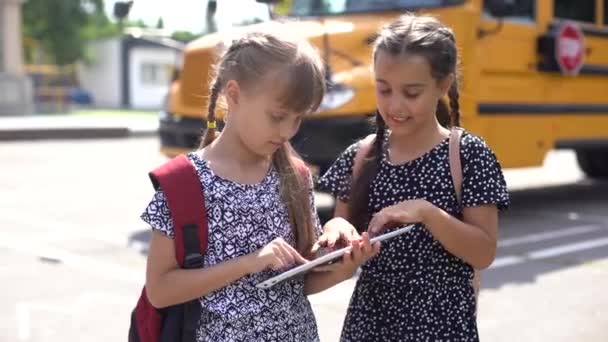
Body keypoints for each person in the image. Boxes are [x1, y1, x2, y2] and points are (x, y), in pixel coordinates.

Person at [141, 31, 379, 342]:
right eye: (278, 116)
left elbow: (300, 283)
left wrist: (344, 267)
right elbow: (159, 291)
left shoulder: (295, 175)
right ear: (235, 94)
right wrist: (247, 264)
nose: (288, 131)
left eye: (298, 119)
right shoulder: (184, 183)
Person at [316, 13, 510, 341]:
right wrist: (336, 234)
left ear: (443, 85)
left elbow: (483, 252)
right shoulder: (361, 155)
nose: (395, 105)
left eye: (411, 92)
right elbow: (337, 244)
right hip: (368, 327)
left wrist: (426, 213)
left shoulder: (467, 154)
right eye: (384, 89)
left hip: (443, 329)